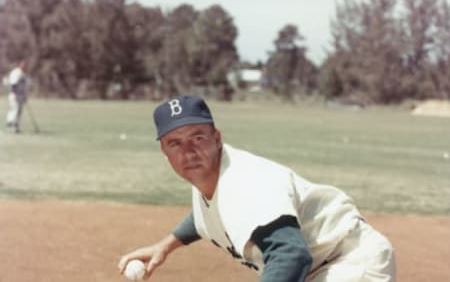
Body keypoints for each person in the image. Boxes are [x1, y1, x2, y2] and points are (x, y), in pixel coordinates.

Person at [118, 95, 396, 282]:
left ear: (217, 139)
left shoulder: (247, 182)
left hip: (349, 261)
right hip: (319, 267)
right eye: (175, 143)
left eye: (197, 137)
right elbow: (208, 211)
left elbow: (291, 255)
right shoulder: (210, 177)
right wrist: (166, 246)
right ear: (164, 151)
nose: (188, 152)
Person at [4, 61, 28, 133]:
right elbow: (13, 84)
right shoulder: (16, 72)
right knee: (15, 109)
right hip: (15, 94)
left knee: (18, 111)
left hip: (20, 95)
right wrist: (14, 94)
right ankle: (10, 123)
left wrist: (24, 96)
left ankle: (15, 126)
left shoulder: (23, 73)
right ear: (20, 65)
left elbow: (24, 86)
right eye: (23, 65)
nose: (24, 67)